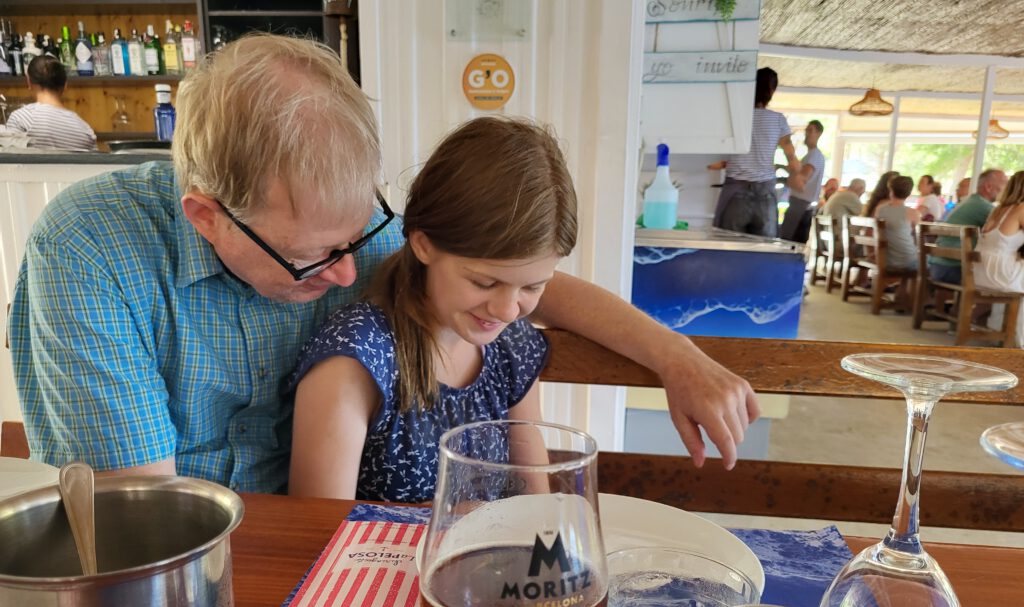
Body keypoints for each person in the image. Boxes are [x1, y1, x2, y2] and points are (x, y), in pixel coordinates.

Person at [10, 34, 759, 494]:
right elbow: (144, 521)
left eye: (362, 233)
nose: (351, 273)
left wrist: (677, 357)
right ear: (206, 215)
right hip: (182, 552)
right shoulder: (91, 252)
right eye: (312, 258)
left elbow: (519, 282)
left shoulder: (348, 232)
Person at [289, 118, 568, 502]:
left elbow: (534, 498)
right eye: (484, 282)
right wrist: (445, 522)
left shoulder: (511, 344)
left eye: (533, 286)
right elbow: (318, 523)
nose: (507, 310)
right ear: (423, 245)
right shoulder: (359, 355)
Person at [709, 67, 801, 238]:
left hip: (736, 191)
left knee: (728, 245)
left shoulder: (737, 117)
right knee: (763, 249)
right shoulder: (778, 120)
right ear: (772, 91)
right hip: (765, 194)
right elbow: (792, 159)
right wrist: (797, 175)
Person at [930, 168, 1008, 283]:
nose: (1008, 189)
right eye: (1005, 184)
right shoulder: (984, 208)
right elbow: (1006, 236)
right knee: (1008, 278)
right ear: (988, 187)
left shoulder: (970, 201)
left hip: (938, 266)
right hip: (957, 269)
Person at [4, 55, 96, 151]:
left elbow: (11, 158)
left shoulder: (21, 118)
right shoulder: (86, 130)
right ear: (65, 85)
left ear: (29, 82)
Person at [973, 171, 1024, 345]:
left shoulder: (998, 209)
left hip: (981, 271)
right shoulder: (1021, 209)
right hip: (999, 273)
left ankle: (998, 328)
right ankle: (1019, 339)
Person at [778, 120, 826, 243]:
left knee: (787, 243)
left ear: (818, 133)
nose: (807, 134)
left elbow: (801, 180)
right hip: (801, 205)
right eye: (806, 130)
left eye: (810, 131)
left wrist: (786, 178)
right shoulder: (811, 155)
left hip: (800, 205)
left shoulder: (815, 156)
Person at [874, 175, 920, 273]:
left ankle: (901, 284)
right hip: (907, 261)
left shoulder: (879, 209)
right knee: (931, 261)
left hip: (883, 260)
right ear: (909, 193)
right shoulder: (913, 213)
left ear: (890, 190)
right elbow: (918, 238)